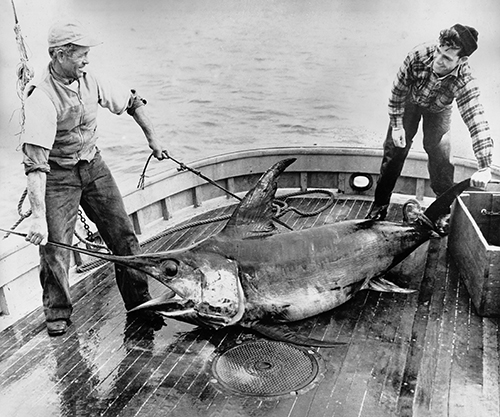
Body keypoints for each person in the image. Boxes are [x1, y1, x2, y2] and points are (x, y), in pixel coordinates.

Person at [21, 21, 168, 336]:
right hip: (57, 174)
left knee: (124, 237)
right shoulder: (41, 98)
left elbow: (133, 102)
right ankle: (57, 312)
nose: (87, 61)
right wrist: (37, 218)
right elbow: (35, 163)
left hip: (93, 165)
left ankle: (139, 303)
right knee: (54, 246)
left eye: (87, 55)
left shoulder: (92, 81)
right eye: (81, 56)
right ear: (60, 55)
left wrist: (153, 140)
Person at [367, 23, 493, 221]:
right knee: (394, 151)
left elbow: (476, 119)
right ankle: (380, 204)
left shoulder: (466, 80)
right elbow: (397, 92)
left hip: (439, 110)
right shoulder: (417, 55)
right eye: (439, 52)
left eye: (447, 58)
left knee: (441, 156)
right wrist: (397, 124)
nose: (438, 60)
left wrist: (485, 166)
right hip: (409, 103)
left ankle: (441, 212)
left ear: (462, 60)